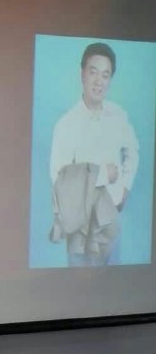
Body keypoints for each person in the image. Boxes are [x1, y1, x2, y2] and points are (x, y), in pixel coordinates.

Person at [50, 42, 138, 266]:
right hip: (82, 228)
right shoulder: (66, 125)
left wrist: (125, 186)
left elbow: (133, 151)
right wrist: (102, 175)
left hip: (111, 224)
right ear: (82, 74)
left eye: (105, 75)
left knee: (116, 283)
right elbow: (59, 181)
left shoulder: (118, 115)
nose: (99, 81)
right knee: (81, 286)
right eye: (93, 72)